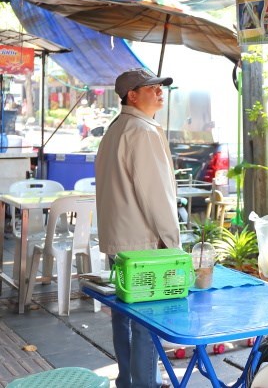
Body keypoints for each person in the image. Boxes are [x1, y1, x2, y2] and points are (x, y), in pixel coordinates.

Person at [96, 67, 178, 388]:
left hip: (120, 240)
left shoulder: (117, 127)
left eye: (161, 87)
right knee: (146, 323)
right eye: (152, 88)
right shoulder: (142, 132)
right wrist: (173, 247)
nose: (160, 92)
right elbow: (157, 197)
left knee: (125, 318)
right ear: (132, 95)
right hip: (143, 244)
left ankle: (128, 382)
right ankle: (145, 384)